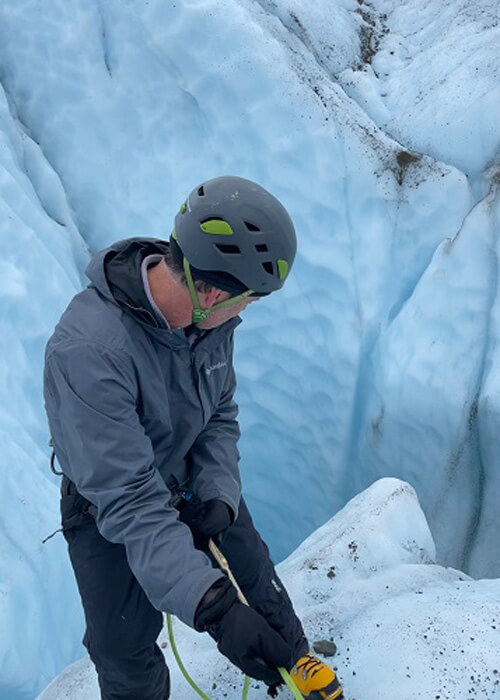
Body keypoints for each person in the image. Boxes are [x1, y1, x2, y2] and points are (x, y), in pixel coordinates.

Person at [43, 176, 344, 700]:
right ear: (210, 290)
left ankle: (296, 659)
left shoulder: (209, 324)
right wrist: (216, 611)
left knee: (254, 571)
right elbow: (131, 503)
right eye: (246, 299)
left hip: (188, 478)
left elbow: (220, 413)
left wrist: (218, 495)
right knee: (123, 650)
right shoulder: (89, 352)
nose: (246, 312)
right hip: (106, 506)